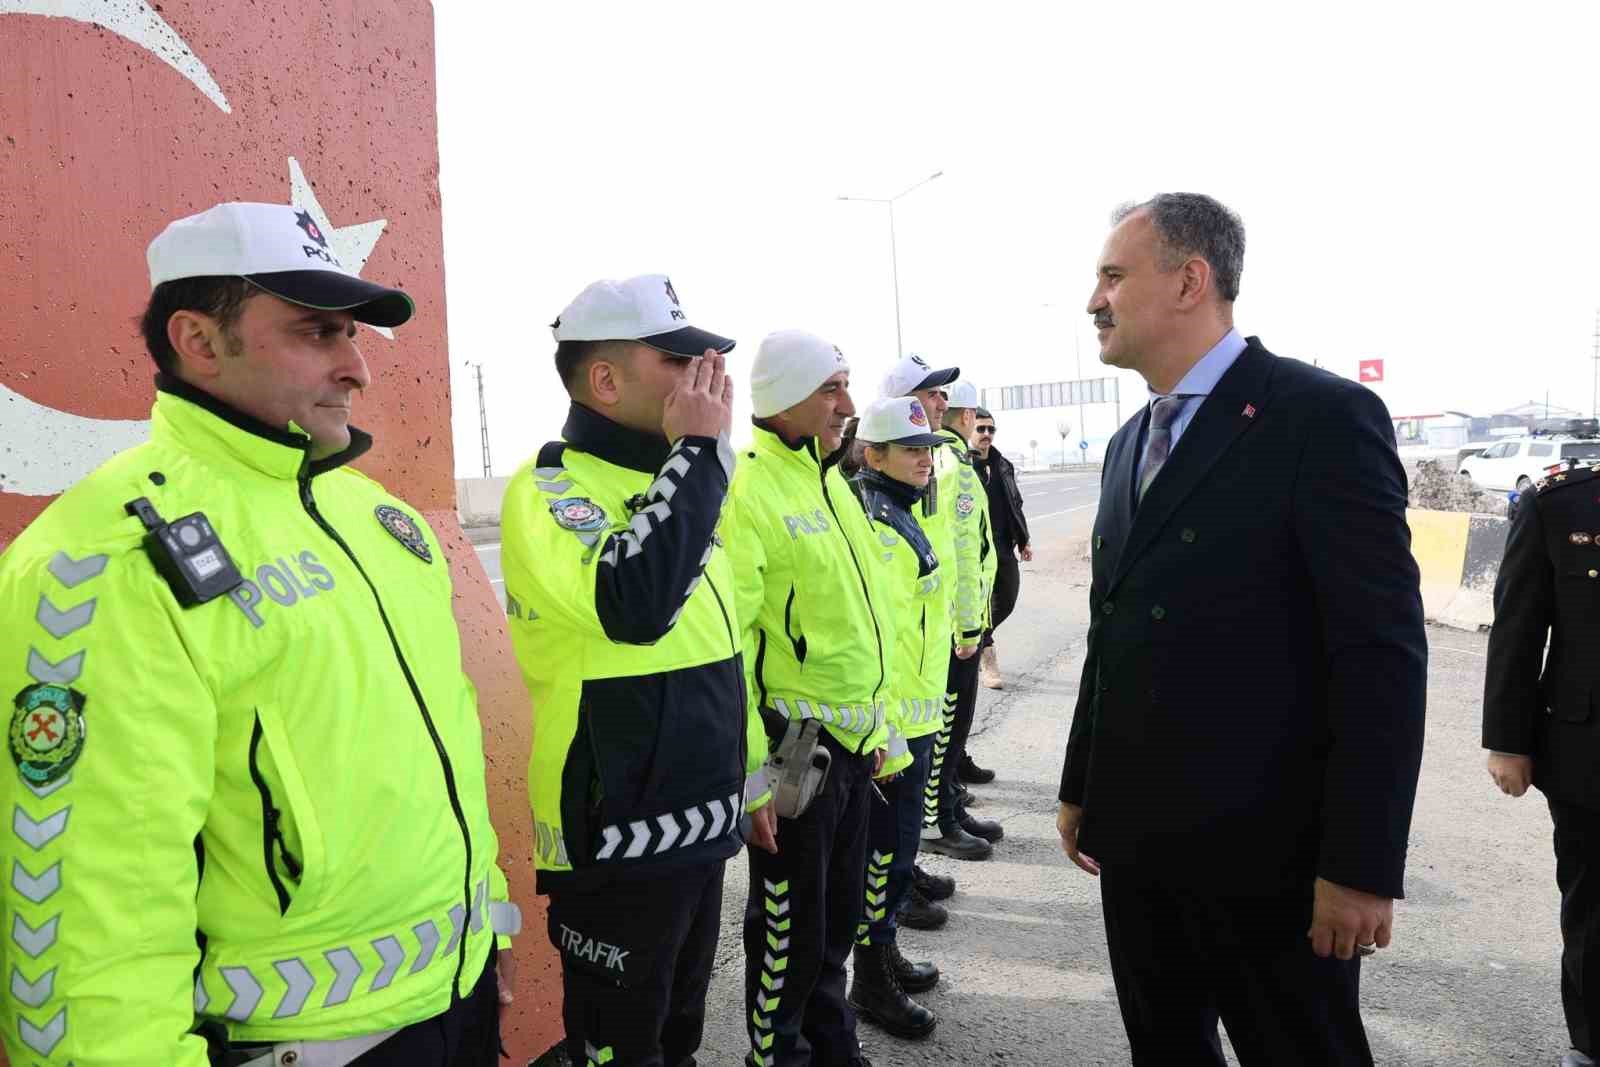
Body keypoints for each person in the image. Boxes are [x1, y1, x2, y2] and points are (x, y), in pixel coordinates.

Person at [0, 202, 517, 1066]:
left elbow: (445, 753)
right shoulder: (105, 563)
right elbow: (91, 918)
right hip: (306, 1046)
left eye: (351, 335)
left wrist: (486, 924)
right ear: (200, 341)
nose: (356, 368)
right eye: (318, 333)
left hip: (457, 1005)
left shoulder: (382, 519)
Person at [1055, 193, 1427, 1066]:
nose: (1093, 300)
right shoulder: (1126, 445)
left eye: (1112, 275)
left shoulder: (1318, 418)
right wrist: (1083, 785)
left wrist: (1363, 865)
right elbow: (1112, 633)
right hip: (1142, 851)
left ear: (1190, 281)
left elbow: (1380, 655)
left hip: (1273, 867)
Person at [500, 274, 767, 1067]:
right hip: (616, 839)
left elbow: (723, 648)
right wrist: (697, 451)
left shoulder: (678, 485)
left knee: (679, 1039)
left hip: (701, 823)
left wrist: (747, 777)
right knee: (623, 1051)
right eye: (678, 358)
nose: (702, 375)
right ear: (606, 380)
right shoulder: (550, 485)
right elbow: (635, 605)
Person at [723, 329, 891, 1067]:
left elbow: (863, 625)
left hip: (854, 752)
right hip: (796, 753)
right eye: (831, 388)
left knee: (835, 924)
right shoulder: (748, 490)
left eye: (846, 386)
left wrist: (883, 728)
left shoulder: (831, 483)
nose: (847, 405)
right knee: (788, 934)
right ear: (783, 396)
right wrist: (752, 770)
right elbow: (733, 647)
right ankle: (778, 1055)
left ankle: (833, 1044)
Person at [1483, 456, 1600, 1067]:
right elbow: (1520, 625)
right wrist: (1508, 739)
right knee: (1593, 911)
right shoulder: (1562, 501)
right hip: (1589, 753)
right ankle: (1591, 1043)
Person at [843, 396, 953, 1041]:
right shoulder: (879, 523)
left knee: (897, 852)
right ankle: (871, 977)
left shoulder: (900, 510)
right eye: (910, 450)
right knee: (882, 857)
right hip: (893, 728)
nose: (924, 461)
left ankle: (882, 956)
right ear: (873, 454)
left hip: (915, 713)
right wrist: (886, 727)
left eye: (928, 450)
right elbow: (877, 636)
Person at [923, 380, 1004, 857]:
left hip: (958, 616)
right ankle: (935, 822)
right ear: (968, 415)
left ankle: (947, 803)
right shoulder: (951, 464)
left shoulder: (951, 459)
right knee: (947, 728)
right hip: (959, 620)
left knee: (953, 731)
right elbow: (960, 552)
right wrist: (969, 625)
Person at [971, 406, 1032, 694]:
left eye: (990, 429)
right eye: (980, 429)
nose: (986, 434)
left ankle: (979, 638)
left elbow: (1014, 504)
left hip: (1002, 544)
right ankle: (987, 655)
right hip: (973, 546)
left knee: (1006, 599)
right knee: (976, 602)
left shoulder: (1003, 464)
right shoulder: (959, 465)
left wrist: (1024, 539)